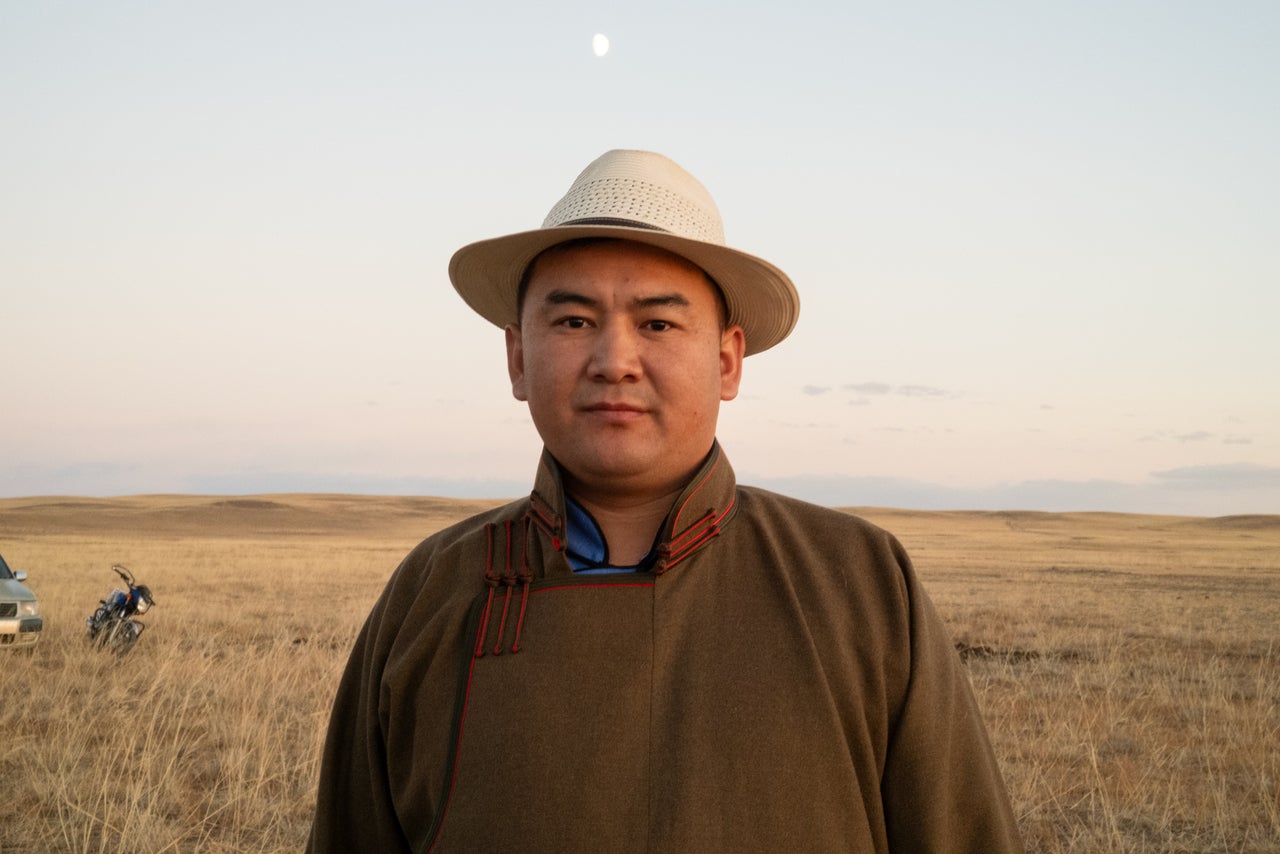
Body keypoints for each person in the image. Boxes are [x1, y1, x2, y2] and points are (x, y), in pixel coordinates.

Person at [308, 149, 1023, 852]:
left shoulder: (859, 582)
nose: (614, 360)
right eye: (574, 321)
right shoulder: (431, 591)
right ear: (518, 359)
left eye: (657, 323)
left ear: (726, 361)